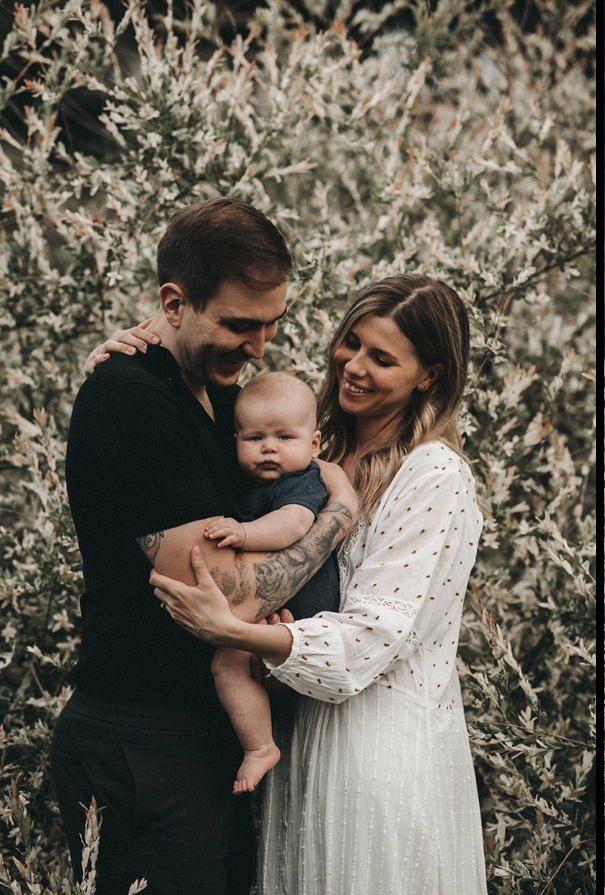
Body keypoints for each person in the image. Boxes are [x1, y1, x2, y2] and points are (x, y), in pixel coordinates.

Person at [145, 275, 488, 894]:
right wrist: (140, 350)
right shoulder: (307, 445)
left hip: (377, 750)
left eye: (382, 358)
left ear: (429, 375)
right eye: (351, 343)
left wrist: (237, 633)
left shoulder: (434, 474)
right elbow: (216, 403)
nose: (353, 366)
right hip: (301, 739)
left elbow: (373, 635)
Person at [55, 198, 358, 895]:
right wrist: (336, 514)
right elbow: (219, 591)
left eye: (272, 323)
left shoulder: (219, 394)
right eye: (239, 324)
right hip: (141, 741)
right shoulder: (132, 399)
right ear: (175, 301)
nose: (259, 346)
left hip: (200, 738)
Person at [206, 371, 342, 794]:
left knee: (226, 664)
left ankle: (260, 746)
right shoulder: (244, 482)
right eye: (254, 438)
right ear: (236, 441)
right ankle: (259, 742)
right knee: (236, 667)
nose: (269, 448)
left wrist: (244, 534)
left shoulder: (303, 480)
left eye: (285, 437)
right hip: (275, 603)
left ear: (314, 444)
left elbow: (294, 524)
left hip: (303, 603)